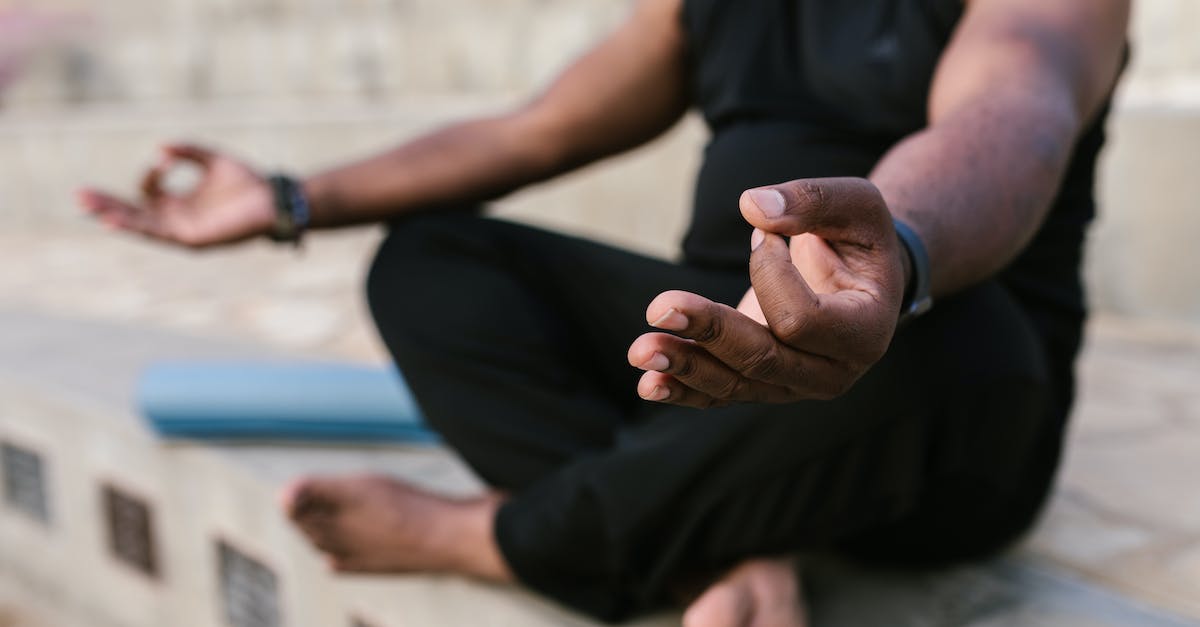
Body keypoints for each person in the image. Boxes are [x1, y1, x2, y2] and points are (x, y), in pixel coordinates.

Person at [78, 0, 1129, 624]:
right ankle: (717, 539)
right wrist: (293, 198)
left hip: (926, 382)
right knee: (433, 262)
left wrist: (895, 253)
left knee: (970, 342)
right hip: (714, 371)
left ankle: (506, 540)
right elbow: (534, 132)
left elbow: (1017, 103)